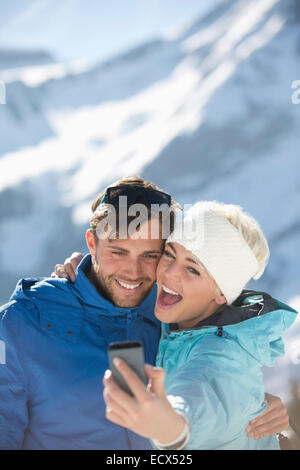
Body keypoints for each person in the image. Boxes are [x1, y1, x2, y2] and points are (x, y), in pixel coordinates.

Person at [0, 176, 289, 449]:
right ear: (92, 244)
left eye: (150, 255)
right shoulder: (20, 323)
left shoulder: (170, 317)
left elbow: (209, 383)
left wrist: (243, 404)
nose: (133, 272)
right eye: (118, 252)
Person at [100, 200, 297, 450]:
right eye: (169, 254)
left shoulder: (224, 357)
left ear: (221, 293)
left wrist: (169, 426)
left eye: (192, 269)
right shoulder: (180, 319)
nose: (169, 272)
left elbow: (204, 392)